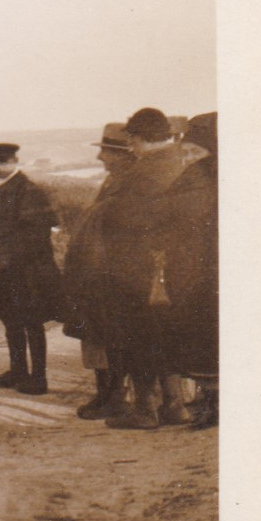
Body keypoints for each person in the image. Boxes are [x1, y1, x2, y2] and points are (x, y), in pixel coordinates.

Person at [98, 108, 189, 429]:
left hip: (138, 268)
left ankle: (145, 410)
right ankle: (174, 405)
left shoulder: (144, 172)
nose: (131, 147)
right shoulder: (179, 164)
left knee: (139, 337)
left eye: (133, 140)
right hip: (170, 268)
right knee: (165, 336)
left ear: (141, 139)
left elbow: (122, 219)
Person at [61, 123, 136, 419]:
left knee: (112, 336)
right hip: (96, 272)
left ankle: (115, 396)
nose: (100, 158)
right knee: (95, 334)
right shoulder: (113, 181)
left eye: (105, 151)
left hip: (112, 272)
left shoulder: (127, 183)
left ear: (120, 154)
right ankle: (105, 394)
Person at [0, 143, 64, 395]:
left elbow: (36, 234)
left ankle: (38, 378)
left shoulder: (28, 190)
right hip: (2, 268)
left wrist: (8, 256)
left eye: (4, 161)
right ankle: (18, 372)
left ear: (16, 160)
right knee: (10, 320)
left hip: (25, 270)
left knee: (32, 322)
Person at [160, 112, 218, 429]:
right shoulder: (194, 180)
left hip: (209, 272)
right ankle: (208, 401)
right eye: (188, 152)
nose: (191, 159)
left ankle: (215, 406)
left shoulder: (208, 183)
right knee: (200, 341)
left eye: (197, 152)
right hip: (193, 271)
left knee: (211, 341)